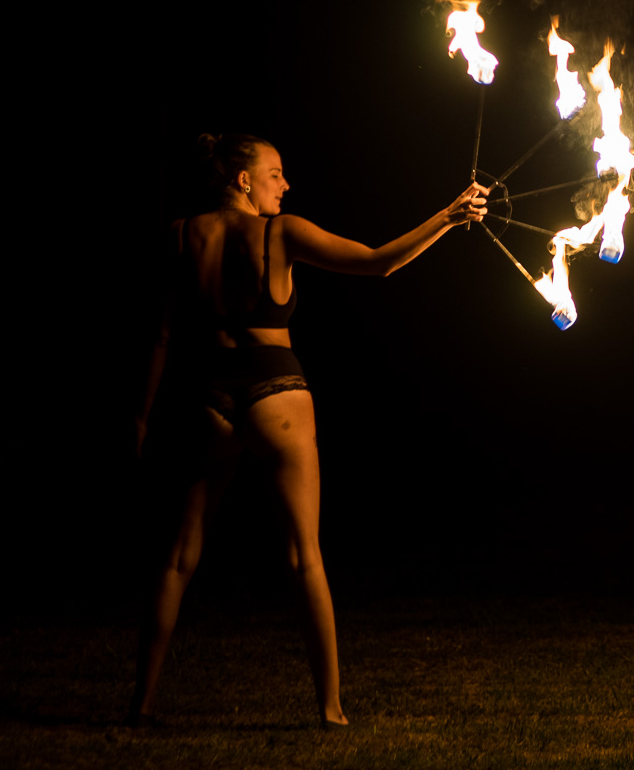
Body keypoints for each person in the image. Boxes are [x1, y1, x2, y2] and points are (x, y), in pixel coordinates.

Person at [131, 133, 487, 727]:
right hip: (277, 392)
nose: (286, 184)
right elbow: (377, 262)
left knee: (176, 558)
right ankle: (331, 709)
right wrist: (448, 217)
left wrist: (142, 416)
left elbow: (162, 335)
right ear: (243, 180)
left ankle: (140, 703)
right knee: (304, 556)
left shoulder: (180, 234)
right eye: (275, 173)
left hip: (206, 396)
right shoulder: (282, 232)